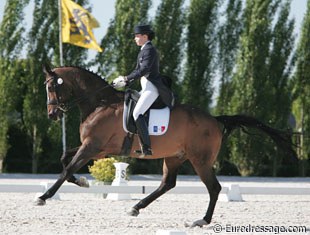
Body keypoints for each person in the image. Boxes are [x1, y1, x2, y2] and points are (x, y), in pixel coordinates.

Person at [112, 24, 174, 157]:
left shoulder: (149, 50)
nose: (135, 38)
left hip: (152, 87)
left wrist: (126, 78)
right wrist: (124, 80)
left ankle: (147, 147)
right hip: (145, 86)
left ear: (145, 36)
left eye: (137, 36)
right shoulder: (143, 50)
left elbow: (144, 70)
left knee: (137, 113)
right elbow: (137, 70)